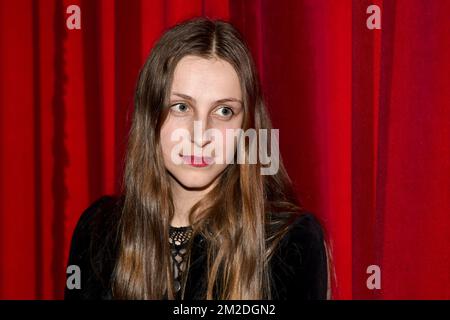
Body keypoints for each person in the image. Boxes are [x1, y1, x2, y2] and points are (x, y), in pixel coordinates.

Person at [64, 17, 330, 300]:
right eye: (181, 107)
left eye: (224, 111)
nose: (201, 135)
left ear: (246, 127)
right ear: (150, 117)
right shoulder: (98, 230)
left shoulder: (290, 242)